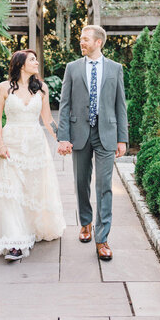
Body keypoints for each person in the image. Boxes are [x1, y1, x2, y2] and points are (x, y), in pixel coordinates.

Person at [0, 49, 66, 260]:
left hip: (35, 146)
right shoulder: (4, 88)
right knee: (11, 192)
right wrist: (0, 144)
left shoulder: (41, 88)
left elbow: (47, 121)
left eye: (36, 59)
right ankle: (15, 242)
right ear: (20, 64)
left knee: (31, 191)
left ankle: (30, 227)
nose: (36, 63)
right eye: (32, 60)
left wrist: (61, 139)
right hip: (11, 145)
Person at [57, 25, 128, 261]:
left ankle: (102, 238)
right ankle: (85, 223)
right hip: (79, 132)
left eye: (86, 39)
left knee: (104, 186)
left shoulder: (115, 69)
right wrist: (63, 136)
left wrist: (122, 138)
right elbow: (64, 105)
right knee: (80, 182)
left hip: (106, 132)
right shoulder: (72, 68)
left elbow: (121, 105)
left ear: (99, 42)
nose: (81, 42)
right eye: (80, 39)